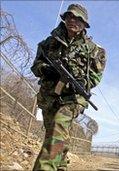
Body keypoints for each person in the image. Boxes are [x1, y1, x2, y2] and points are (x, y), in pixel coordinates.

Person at [31, 4, 106, 171]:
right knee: (55, 136)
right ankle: (61, 166)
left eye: (79, 19)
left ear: (85, 24)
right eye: (70, 16)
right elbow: (35, 67)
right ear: (65, 18)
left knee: (58, 129)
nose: (74, 21)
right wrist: (46, 70)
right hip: (49, 95)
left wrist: (79, 82)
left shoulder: (94, 50)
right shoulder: (48, 43)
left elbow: (96, 77)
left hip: (73, 98)